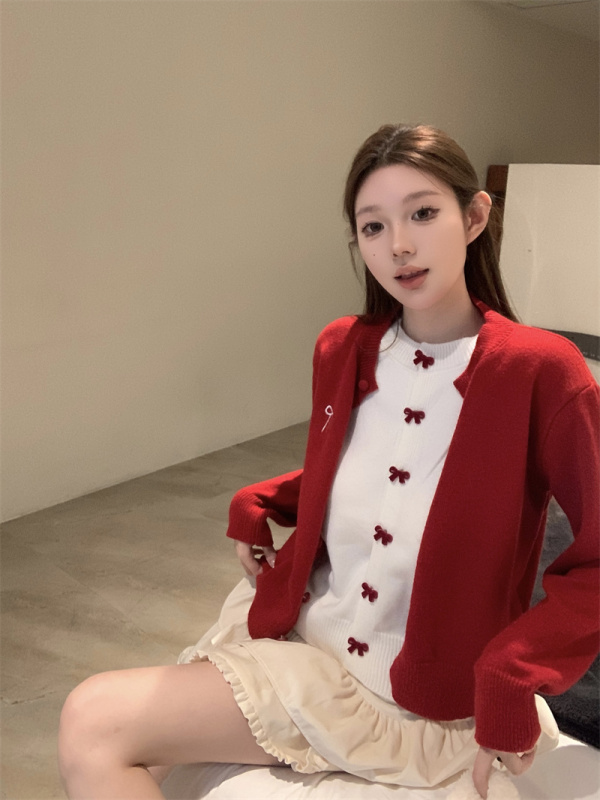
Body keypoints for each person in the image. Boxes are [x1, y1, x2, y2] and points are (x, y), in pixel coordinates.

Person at [58, 124, 599, 800]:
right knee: (106, 727)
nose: (398, 245)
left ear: (474, 217)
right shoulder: (342, 348)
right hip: (307, 639)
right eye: (373, 227)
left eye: (422, 213)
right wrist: (264, 500)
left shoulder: (540, 370)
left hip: (410, 702)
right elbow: (363, 472)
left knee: (94, 722)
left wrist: (513, 672)